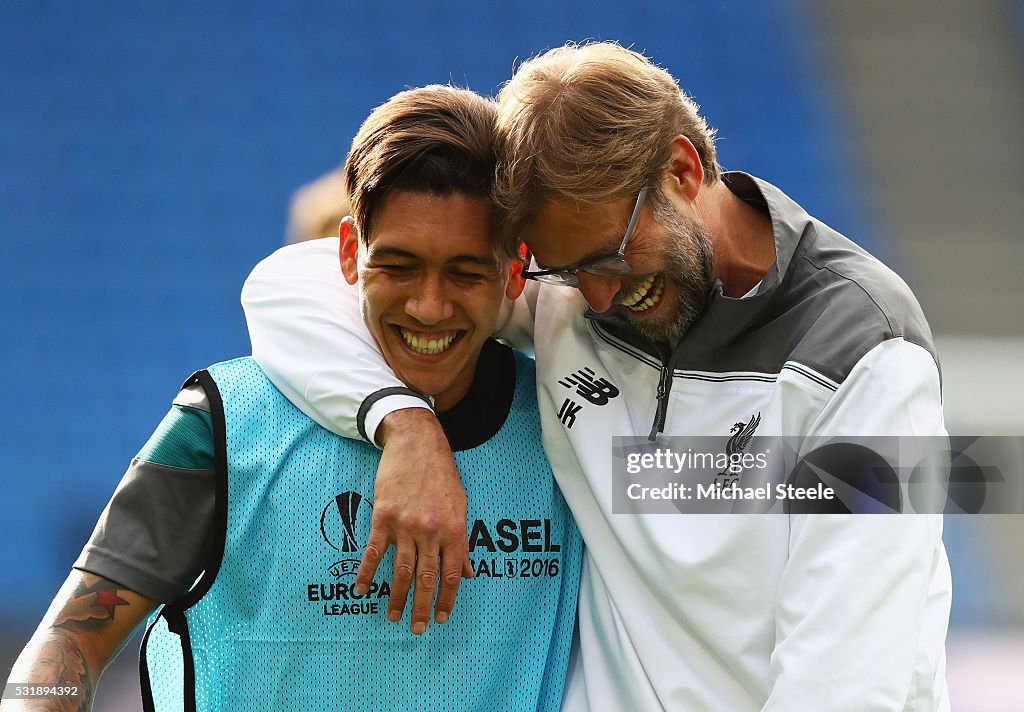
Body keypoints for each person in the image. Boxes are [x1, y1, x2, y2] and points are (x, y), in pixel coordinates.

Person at [240, 42, 952, 710]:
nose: (601, 299)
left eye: (611, 256)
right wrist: (403, 422)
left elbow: (845, 685)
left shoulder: (870, 355)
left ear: (682, 170)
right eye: (568, 269)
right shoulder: (567, 292)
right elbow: (287, 287)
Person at [3, 85, 581, 712]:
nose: (429, 306)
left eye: (466, 273)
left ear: (516, 270)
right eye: (399, 266)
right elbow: (65, 642)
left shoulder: (569, 425)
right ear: (349, 252)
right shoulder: (226, 420)